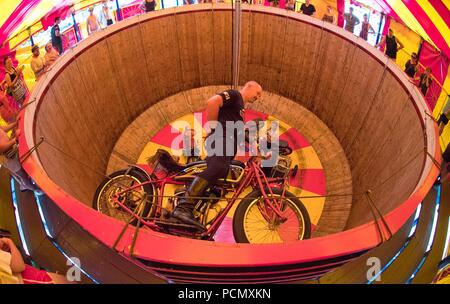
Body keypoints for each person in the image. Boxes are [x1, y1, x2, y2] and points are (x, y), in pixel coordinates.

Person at [171, 81, 263, 230]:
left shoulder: (240, 110)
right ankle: (182, 208)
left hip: (226, 144)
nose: (258, 97)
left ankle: (190, 210)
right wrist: (213, 131)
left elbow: (241, 134)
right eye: (257, 93)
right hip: (221, 139)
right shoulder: (235, 95)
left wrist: (257, 152)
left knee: (217, 182)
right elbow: (213, 102)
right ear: (249, 86)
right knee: (219, 167)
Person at [0, 237, 72, 284]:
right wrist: (10, 242)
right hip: (34, 279)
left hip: (33, 278)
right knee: (69, 281)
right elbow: (19, 267)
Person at [0, 120, 43, 194]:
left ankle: (25, 184)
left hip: (13, 149)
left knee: (26, 166)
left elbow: (2, 129)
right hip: (8, 158)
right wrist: (15, 140)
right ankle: (35, 189)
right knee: (23, 175)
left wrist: (15, 123)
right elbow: (1, 149)